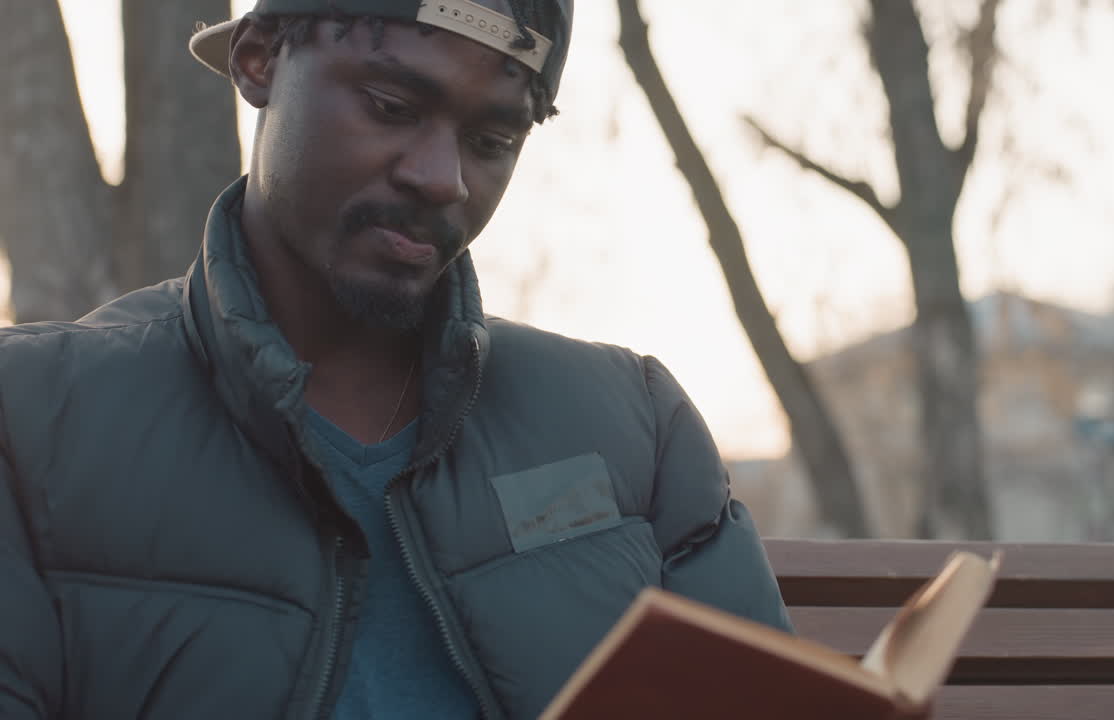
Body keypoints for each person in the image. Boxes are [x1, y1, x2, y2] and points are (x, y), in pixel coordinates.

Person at [0, 1, 806, 719]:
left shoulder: (634, 424)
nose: (442, 178)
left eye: (492, 140)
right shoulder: (33, 419)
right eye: (391, 107)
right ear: (259, 61)